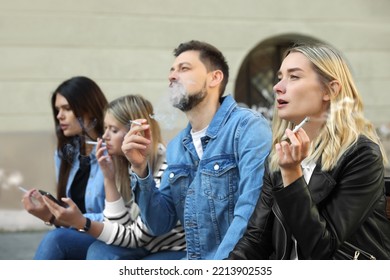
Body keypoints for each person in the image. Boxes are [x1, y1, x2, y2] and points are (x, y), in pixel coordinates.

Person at [227, 43, 390, 260]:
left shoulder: (361, 155)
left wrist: (292, 173)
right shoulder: (280, 156)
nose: (277, 87)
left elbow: (320, 250)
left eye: (293, 77)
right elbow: (256, 239)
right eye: (279, 77)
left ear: (330, 90)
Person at [122, 40, 272, 260]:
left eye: (184, 68)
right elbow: (159, 223)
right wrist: (139, 169)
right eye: (172, 70)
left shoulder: (248, 127)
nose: (172, 76)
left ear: (215, 78)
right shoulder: (176, 148)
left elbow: (250, 208)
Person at [44, 94, 186, 260]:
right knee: (60, 240)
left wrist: (82, 222)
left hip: (171, 251)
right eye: (105, 128)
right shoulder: (122, 164)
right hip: (142, 246)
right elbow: (118, 226)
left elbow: (135, 237)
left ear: (137, 132)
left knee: (101, 253)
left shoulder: (165, 167)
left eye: (114, 130)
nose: (105, 137)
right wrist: (108, 178)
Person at [22, 76, 108, 259]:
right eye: (57, 110)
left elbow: (122, 217)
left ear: (90, 109)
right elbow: (70, 221)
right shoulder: (64, 154)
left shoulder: (112, 153)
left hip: (108, 236)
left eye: (67, 109)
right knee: (57, 238)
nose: (60, 116)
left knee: (56, 240)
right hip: (80, 234)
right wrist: (50, 215)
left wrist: (78, 220)